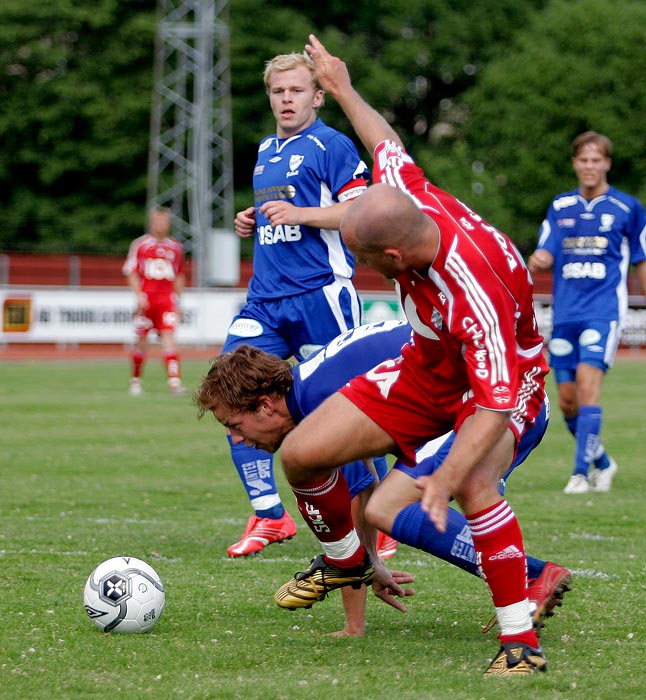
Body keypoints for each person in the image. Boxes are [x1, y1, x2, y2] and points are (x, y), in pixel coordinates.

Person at [267, 34, 556, 676]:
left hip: (507, 387)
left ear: (394, 259)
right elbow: (385, 145)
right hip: (427, 368)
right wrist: (341, 88)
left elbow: (494, 403)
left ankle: (520, 647)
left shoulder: (470, 290)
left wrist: (445, 482)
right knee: (302, 453)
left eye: (368, 264)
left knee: (471, 482)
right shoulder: (404, 196)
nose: (365, 270)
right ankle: (345, 561)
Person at [194, 320, 570, 637]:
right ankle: (530, 579)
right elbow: (361, 487)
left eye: (235, 425)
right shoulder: (311, 386)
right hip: (498, 395)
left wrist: (359, 567)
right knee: (396, 504)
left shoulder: (317, 404)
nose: (238, 440)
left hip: (497, 400)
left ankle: (533, 578)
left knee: (399, 507)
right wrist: (367, 575)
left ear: (264, 405)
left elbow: (357, 498)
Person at [221, 50, 377, 558]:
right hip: (265, 300)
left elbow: (362, 210)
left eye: (295, 91)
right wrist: (254, 220)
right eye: (277, 92)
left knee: (342, 414)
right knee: (229, 390)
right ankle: (270, 515)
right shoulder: (266, 148)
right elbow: (283, 215)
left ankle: (374, 521)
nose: (286, 100)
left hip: (321, 296)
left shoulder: (333, 144)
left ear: (317, 95)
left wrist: (303, 214)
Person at [528, 131, 646, 495]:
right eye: (583, 159)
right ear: (575, 164)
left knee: (588, 387)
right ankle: (604, 463)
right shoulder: (560, 206)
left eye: (597, 160)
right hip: (564, 314)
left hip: (603, 311)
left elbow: (640, 260)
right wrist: (538, 259)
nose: (590, 166)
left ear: (606, 164)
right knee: (567, 401)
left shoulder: (627, 208)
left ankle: (580, 474)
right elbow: (544, 251)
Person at [122, 206, 186, 395]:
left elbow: (179, 276)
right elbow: (131, 272)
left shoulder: (175, 247)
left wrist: (178, 301)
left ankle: (174, 382)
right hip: (147, 301)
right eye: (158, 221)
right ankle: (136, 381)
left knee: (169, 338)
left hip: (166, 301)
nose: (161, 224)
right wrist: (139, 295)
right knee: (141, 340)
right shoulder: (141, 245)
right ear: (151, 223)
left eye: (164, 221)